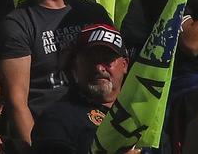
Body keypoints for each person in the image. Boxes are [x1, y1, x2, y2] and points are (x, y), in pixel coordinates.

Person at [0, 0, 107, 145]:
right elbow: (18, 102)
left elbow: (115, 80)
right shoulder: (18, 23)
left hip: (96, 134)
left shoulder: (93, 14)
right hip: (50, 139)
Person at [25, 23, 129, 154]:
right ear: (75, 66)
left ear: (125, 65)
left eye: (107, 60)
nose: (99, 68)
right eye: (90, 60)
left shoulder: (144, 107)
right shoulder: (57, 119)